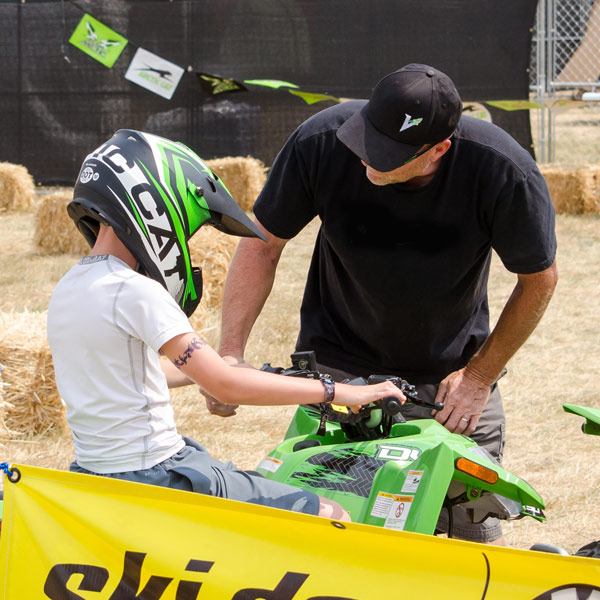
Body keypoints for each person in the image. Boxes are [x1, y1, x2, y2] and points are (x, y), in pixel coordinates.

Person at [212, 64, 559, 544]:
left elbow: (539, 280)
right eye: (365, 137)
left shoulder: (501, 169)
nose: (365, 157)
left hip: (447, 382)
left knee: (467, 541)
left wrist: (479, 377)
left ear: (438, 149)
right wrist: (230, 354)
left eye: (386, 153)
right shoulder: (322, 141)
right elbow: (261, 244)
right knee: (326, 531)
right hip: (337, 367)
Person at [46, 129, 406, 523]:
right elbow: (225, 386)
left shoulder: (72, 287)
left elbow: (126, 373)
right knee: (331, 513)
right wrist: (340, 392)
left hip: (97, 473)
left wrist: (211, 368)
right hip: (156, 472)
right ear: (152, 206)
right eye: (187, 227)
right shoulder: (133, 291)